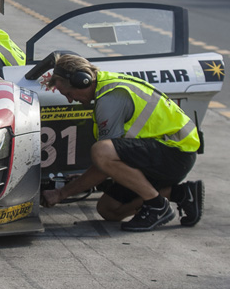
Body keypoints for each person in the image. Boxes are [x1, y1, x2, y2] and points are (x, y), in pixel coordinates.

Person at [42, 54, 204, 232]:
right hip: (161, 153)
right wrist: (82, 180)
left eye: (69, 93)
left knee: (101, 151)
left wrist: (61, 193)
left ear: (83, 81)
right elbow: (115, 157)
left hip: (175, 154)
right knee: (109, 210)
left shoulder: (110, 98)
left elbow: (104, 160)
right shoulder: (106, 87)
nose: (70, 99)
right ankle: (182, 194)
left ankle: (157, 206)